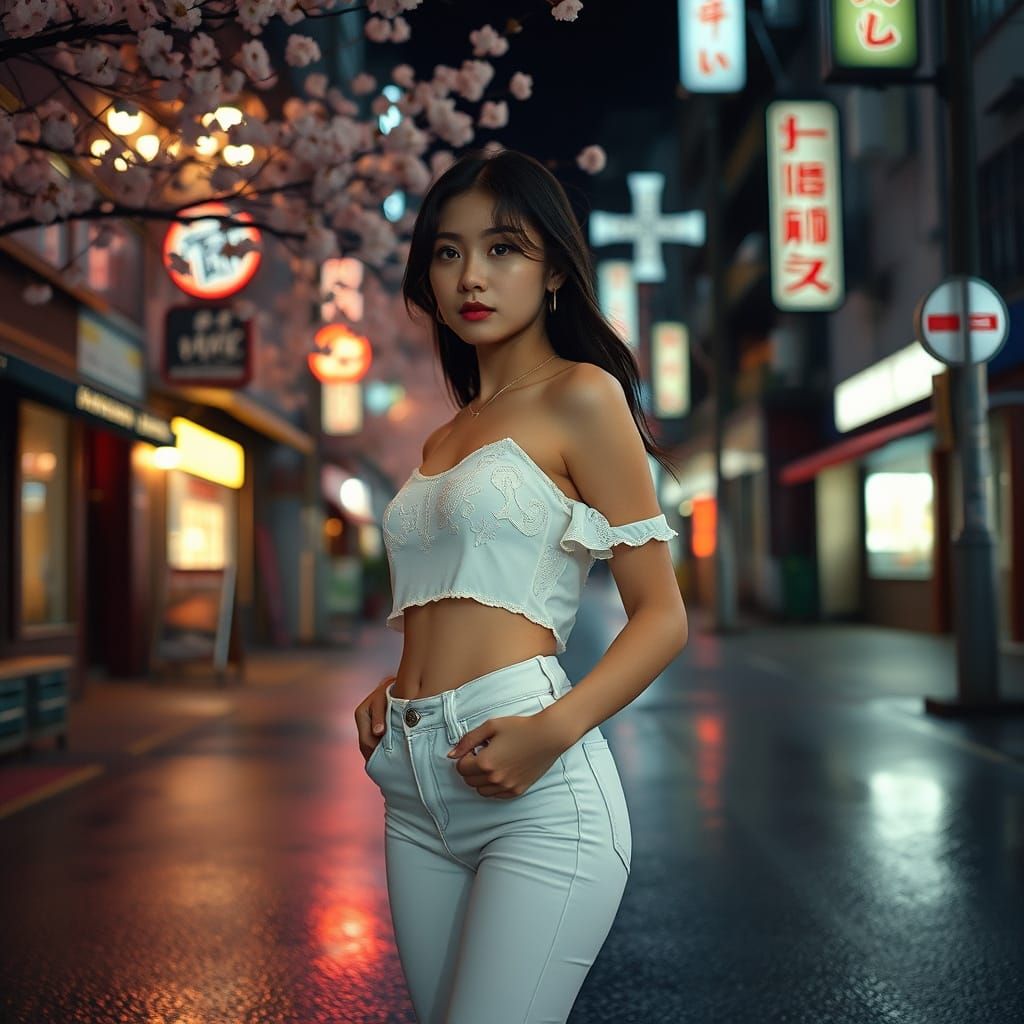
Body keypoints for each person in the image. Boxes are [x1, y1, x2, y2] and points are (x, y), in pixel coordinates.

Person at [353, 148, 688, 1024]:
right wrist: (394, 686)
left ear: (552, 272)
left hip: (535, 781)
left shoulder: (583, 396)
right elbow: (465, 596)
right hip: (414, 784)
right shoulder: (443, 438)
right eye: (449, 251)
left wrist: (551, 734)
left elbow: (661, 619)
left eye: (504, 248)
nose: (473, 275)